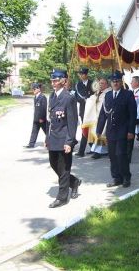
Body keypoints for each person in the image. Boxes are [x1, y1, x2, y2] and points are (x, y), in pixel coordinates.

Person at [46, 69, 81, 208]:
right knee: (54, 165)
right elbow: (51, 120)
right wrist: (47, 137)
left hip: (64, 138)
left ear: (63, 81)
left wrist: (69, 141)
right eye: (52, 80)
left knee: (64, 168)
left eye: (56, 80)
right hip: (53, 137)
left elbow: (72, 122)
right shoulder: (52, 97)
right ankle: (74, 182)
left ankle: (62, 197)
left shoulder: (69, 97)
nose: (53, 82)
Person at [96, 70, 137, 188]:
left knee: (121, 155)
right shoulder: (108, 95)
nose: (115, 83)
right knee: (112, 156)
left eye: (118, 81)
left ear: (121, 82)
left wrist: (131, 131)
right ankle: (116, 178)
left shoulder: (128, 94)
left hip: (123, 130)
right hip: (111, 131)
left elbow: (132, 114)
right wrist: (99, 130)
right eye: (113, 81)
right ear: (111, 82)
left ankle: (126, 177)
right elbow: (103, 114)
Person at [82, 77, 111, 159]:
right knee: (95, 133)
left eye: (102, 83)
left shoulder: (108, 92)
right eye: (100, 83)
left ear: (107, 84)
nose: (100, 85)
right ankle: (99, 150)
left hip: (103, 116)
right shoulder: (98, 92)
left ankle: (98, 152)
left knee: (101, 134)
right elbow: (92, 100)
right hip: (95, 116)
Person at [75, 67, 94, 157]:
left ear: (86, 74)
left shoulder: (93, 83)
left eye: (82, 74)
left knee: (91, 130)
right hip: (83, 111)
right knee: (85, 130)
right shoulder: (78, 84)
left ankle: (92, 149)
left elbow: (96, 94)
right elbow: (77, 97)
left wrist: (90, 100)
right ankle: (90, 149)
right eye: (80, 74)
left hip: (92, 110)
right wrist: (84, 100)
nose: (81, 76)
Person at [24, 83, 47, 148]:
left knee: (47, 132)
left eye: (34, 89)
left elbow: (44, 108)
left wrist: (42, 118)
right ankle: (31, 144)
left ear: (39, 89)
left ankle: (52, 142)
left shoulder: (43, 97)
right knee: (34, 132)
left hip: (41, 119)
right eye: (33, 89)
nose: (33, 90)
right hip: (36, 118)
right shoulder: (35, 97)